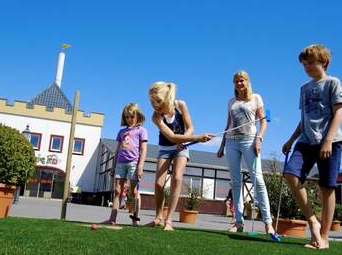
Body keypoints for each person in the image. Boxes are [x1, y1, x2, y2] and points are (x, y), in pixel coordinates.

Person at [282, 44, 342, 249]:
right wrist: (291, 140)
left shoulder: (333, 82)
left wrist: (328, 139)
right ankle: (312, 221)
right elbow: (305, 119)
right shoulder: (304, 88)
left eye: (311, 62)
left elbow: (338, 113)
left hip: (330, 141)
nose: (307, 67)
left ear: (323, 62)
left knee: (326, 187)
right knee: (290, 174)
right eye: (304, 64)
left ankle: (323, 238)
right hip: (305, 141)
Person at [217, 70, 279, 241]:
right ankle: (238, 222)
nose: (238, 84)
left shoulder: (256, 98)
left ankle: (268, 223)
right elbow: (228, 124)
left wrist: (259, 138)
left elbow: (263, 121)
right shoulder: (231, 102)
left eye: (241, 80)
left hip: (249, 140)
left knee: (257, 180)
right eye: (236, 81)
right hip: (231, 142)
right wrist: (222, 145)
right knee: (235, 182)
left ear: (247, 82)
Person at [147, 82, 213, 231]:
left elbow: (190, 127)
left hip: (182, 147)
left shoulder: (180, 105)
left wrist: (185, 139)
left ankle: (169, 220)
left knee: (177, 178)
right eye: (152, 101)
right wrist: (197, 138)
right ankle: (159, 217)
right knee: (159, 183)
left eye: (157, 101)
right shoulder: (155, 117)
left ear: (167, 97)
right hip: (165, 148)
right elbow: (170, 137)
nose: (154, 105)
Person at [106, 103, 148, 226]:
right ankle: (112, 219)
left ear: (137, 116)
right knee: (117, 191)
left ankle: (135, 220)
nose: (129, 119)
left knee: (134, 192)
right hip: (120, 164)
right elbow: (117, 150)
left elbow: (143, 150)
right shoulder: (121, 132)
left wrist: (140, 166)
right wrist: (113, 167)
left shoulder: (141, 131)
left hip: (133, 164)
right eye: (127, 117)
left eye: (131, 117)